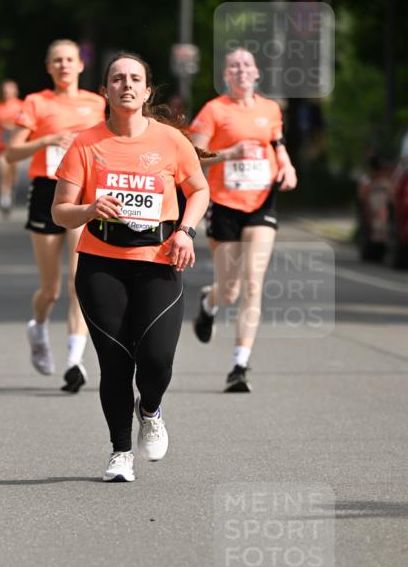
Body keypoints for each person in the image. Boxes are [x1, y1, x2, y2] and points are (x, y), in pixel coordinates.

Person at [52, 52, 210, 481]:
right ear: (105, 90)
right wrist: (89, 209)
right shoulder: (86, 143)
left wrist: (186, 231)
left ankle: (151, 409)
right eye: (118, 79)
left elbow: (199, 190)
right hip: (101, 265)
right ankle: (121, 451)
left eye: (135, 79)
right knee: (116, 363)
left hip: (159, 261)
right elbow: (60, 212)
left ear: (147, 91)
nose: (127, 85)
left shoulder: (170, 141)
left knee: (157, 359)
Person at [188, 48, 297, 392]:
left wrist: (288, 166)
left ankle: (239, 365)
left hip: (262, 201)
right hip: (224, 204)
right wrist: (228, 154)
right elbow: (193, 156)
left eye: (247, 64)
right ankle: (209, 302)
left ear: (257, 72)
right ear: (226, 75)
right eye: (234, 65)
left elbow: (277, 144)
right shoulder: (214, 110)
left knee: (252, 283)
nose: (241, 69)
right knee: (230, 290)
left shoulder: (270, 109)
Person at [6, 40, 106, 393]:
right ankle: (38, 326)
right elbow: (11, 153)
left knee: (80, 280)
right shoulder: (36, 102)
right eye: (57, 60)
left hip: (85, 192)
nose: (64, 65)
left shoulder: (97, 104)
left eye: (69, 59)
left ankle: (74, 361)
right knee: (50, 289)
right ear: (49, 67)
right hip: (47, 191)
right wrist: (46, 141)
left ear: (80, 65)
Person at [0, 80, 23, 217]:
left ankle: (10, 190)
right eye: (4, 90)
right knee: (3, 170)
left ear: (15, 91)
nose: (7, 92)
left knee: (12, 173)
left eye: (10, 90)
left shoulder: (21, 106)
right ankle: (4, 197)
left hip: (16, 145)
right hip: (0, 145)